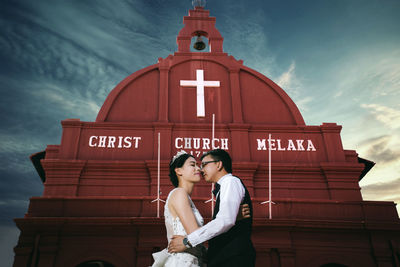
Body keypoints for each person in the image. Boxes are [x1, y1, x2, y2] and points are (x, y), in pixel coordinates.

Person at [152, 150, 249, 267]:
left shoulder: (229, 182)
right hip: (183, 262)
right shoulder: (179, 193)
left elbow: (197, 240)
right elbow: (195, 235)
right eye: (193, 165)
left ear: (219, 164)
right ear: (178, 171)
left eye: (201, 165)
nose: (199, 169)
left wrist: (232, 216)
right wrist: (230, 217)